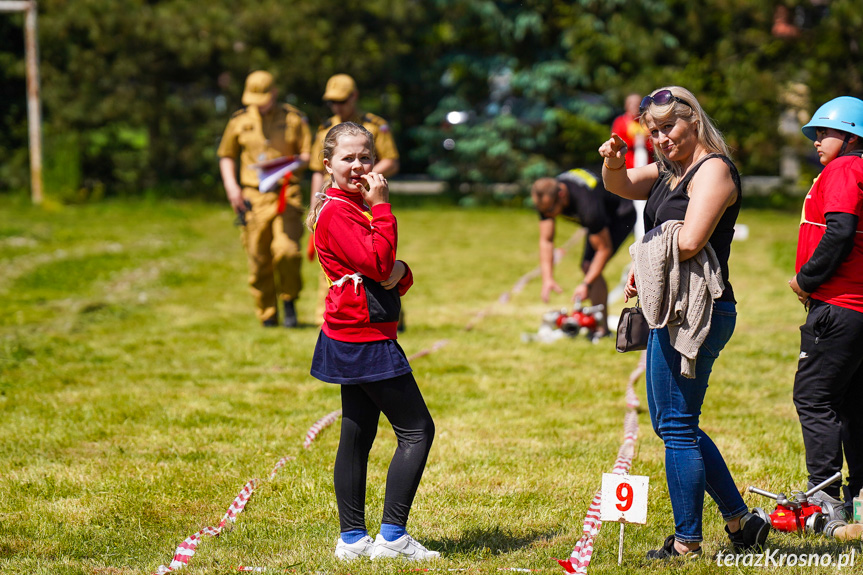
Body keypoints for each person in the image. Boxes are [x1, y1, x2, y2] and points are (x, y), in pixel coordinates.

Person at [598, 86, 769, 559]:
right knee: (675, 423)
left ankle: (687, 542)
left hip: (700, 310)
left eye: (669, 127)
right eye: (653, 132)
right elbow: (620, 185)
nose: (661, 139)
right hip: (673, 306)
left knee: (675, 426)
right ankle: (740, 521)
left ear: (694, 121)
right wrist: (613, 159)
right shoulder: (670, 169)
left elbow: (690, 240)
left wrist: (643, 258)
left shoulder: (713, 170)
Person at [306, 122, 438, 561]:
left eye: (366, 157)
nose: (359, 166)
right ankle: (393, 537)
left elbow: (385, 272)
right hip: (362, 337)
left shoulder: (350, 204)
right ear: (328, 165)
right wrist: (383, 210)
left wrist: (399, 272)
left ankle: (351, 541)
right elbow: (380, 264)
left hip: (354, 331)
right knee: (417, 430)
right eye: (348, 158)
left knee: (358, 432)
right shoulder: (340, 210)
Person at [789, 96, 863, 516]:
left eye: (825, 132)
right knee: (852, 403)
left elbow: (839, 233)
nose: (817, 141)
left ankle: (824, 500)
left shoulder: (844, 168)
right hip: (858, 309)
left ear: (851, 135)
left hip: (838, 305)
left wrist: (805, 280)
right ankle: (858, 498)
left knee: (815, 398)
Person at [217, 70, 311, 327]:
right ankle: (267, 313)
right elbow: (226, 154)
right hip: (252, 197)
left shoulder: (293, 119)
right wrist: (231, 187)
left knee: (287, 252)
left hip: (286, 194)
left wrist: (289, 164)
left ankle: (289, 300)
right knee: (258, 258)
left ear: (274, 94)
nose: (257, 105)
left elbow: (308, 154)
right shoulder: (239, 120)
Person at [308, 73, 401, 325]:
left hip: (366, 198)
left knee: (381, 248)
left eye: (342, 100)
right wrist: (314, 206)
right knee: (337, 266)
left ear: (354, 97)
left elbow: (390, 158)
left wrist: (368, 182)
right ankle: (325, 317)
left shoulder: (374, 125)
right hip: (354, 321)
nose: (338, 107)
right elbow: (318, 171)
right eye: (332, 102)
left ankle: (392, 312)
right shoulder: (325, 128)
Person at [530, 169, 636, 339]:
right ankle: (597, 324)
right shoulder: (547, 197)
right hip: (597, 216)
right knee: (588, 267)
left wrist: (585, 284)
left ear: (562, 195)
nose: (548, 215)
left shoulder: (587, 205)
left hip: (620, 214)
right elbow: (546, 240)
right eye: (543, 211)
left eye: (550, 210)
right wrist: (548, 278)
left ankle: (601, 329)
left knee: (589, 267)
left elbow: (604, 249)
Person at [611, 93, 655, 169]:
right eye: (632, 104)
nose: (635, 107)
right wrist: (634, 141)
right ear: (627, 105)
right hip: (627, 164)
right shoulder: (620, 121)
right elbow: (616, 142)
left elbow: (655, 142)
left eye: (638, 104)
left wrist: (645, 142)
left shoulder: (646, 121)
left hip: (647, 163)